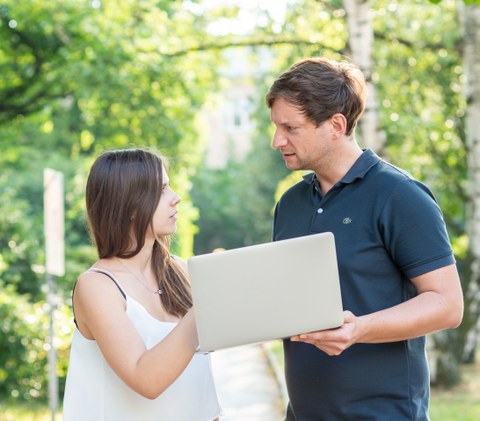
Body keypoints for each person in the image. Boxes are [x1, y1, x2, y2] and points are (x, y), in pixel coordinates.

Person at [265, 57, 464, 420]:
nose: (278, 140)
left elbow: (448, 305)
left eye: (290, 128)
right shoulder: (290, 204)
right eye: (276, 127)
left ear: (336, 125)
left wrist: (360, 329)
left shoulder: (400, 195)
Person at [62, 148, 222, 421]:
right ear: (131, 205)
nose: (176, 198)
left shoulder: (181, 271)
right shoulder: (97, 286)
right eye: (161, 190)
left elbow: (200, 386)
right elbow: (145, 379)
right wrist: (206, 307)